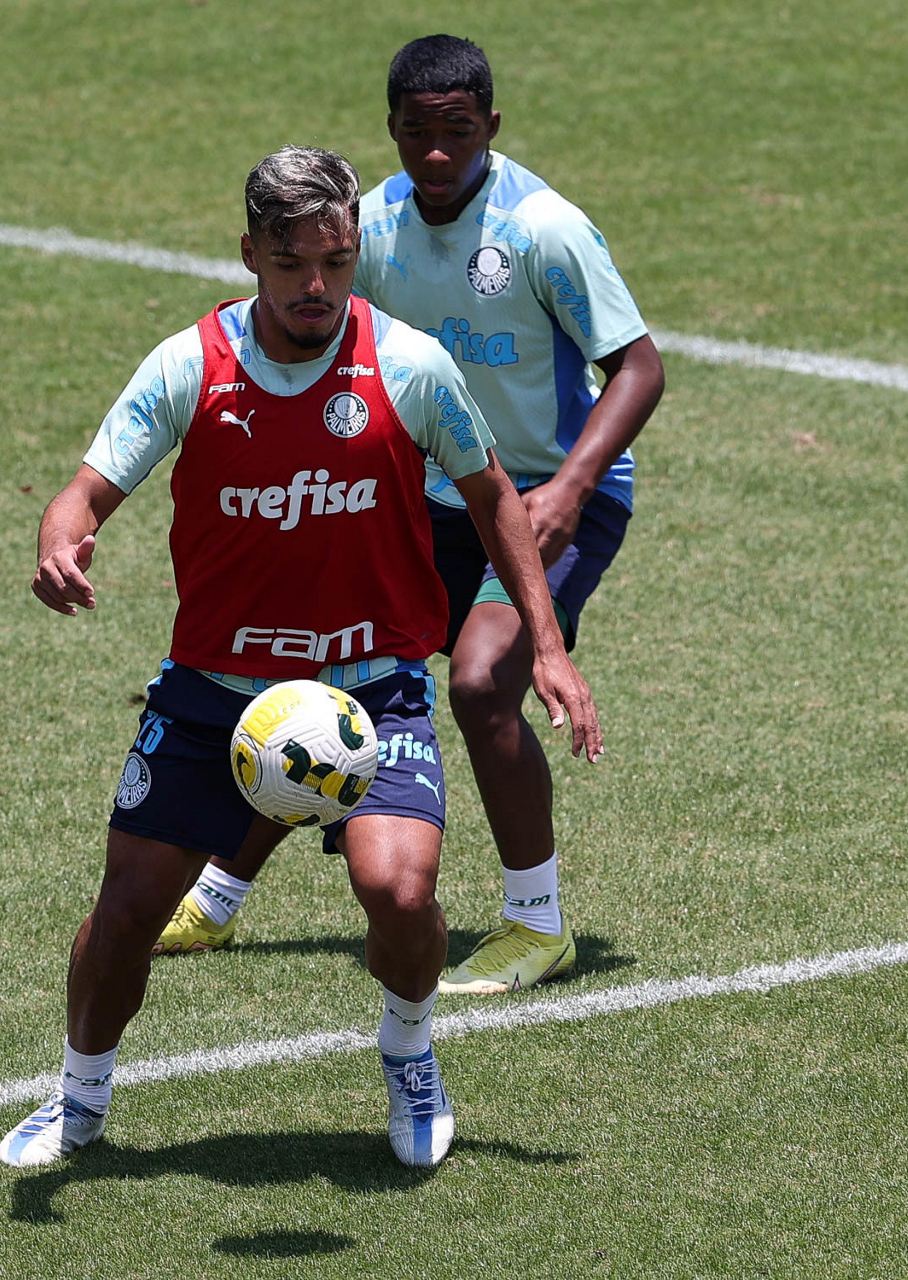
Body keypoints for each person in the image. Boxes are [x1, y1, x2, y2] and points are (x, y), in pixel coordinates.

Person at [0, 144, 602, 1171]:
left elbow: (495, 497)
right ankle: (79, 1098)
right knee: (127, 911)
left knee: (400, 894)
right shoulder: (190, 365)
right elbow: (85, 490)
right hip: (211, 695)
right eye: (291, 265)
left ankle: (409, 1054)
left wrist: (547, 643)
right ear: (250, 255)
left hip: (372, 692)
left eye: (334, 260)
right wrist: (61, 541)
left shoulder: (409, 365)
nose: (315, 284)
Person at [156, 35, 665, 995]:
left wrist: (568, 488)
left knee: (477, 685)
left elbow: (638, 367)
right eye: (417, 133)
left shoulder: (543, 228)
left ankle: (538, 923)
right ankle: (219, 894)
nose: (437, 152)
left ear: (492, 126)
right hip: (426, 496)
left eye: (458, 132)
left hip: (544, 499)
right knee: (326, 663)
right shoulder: (370, 228)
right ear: (390, 128)